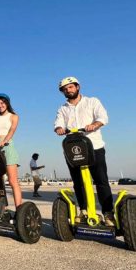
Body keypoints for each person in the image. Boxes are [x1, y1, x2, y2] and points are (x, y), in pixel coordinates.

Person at [54, 76, 114, 226]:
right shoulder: (63, 108)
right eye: (65, 89)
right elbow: (58, 123)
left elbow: (103, 117)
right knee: (78, 182)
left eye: (71, 87)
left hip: (94, 147)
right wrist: (59, 129)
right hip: (73, 150)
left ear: (77, 87)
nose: (68, 90)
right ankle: (83, 210)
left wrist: (94, 124)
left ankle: (108, 213)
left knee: (101, 181)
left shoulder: (92, 101)